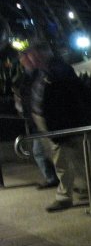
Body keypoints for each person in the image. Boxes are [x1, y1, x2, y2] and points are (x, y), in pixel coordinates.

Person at [24, 41, 91, 212]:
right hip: (46, 123)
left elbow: (81, 93)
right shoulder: (42, 72)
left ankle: (64, 196)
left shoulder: (59, 71)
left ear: (41, 55)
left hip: (58, 124)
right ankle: (89, 183)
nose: (29, 59)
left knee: (62, 160)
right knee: (70, 156)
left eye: (32, 55)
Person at [13, 50, 59, 189]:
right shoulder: (28, 76)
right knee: (46, 151)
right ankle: (55, 178)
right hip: (34, 118)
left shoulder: (37, 74)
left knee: (41, 151)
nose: (24, 60)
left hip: (40, 118)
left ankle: (53, 179)